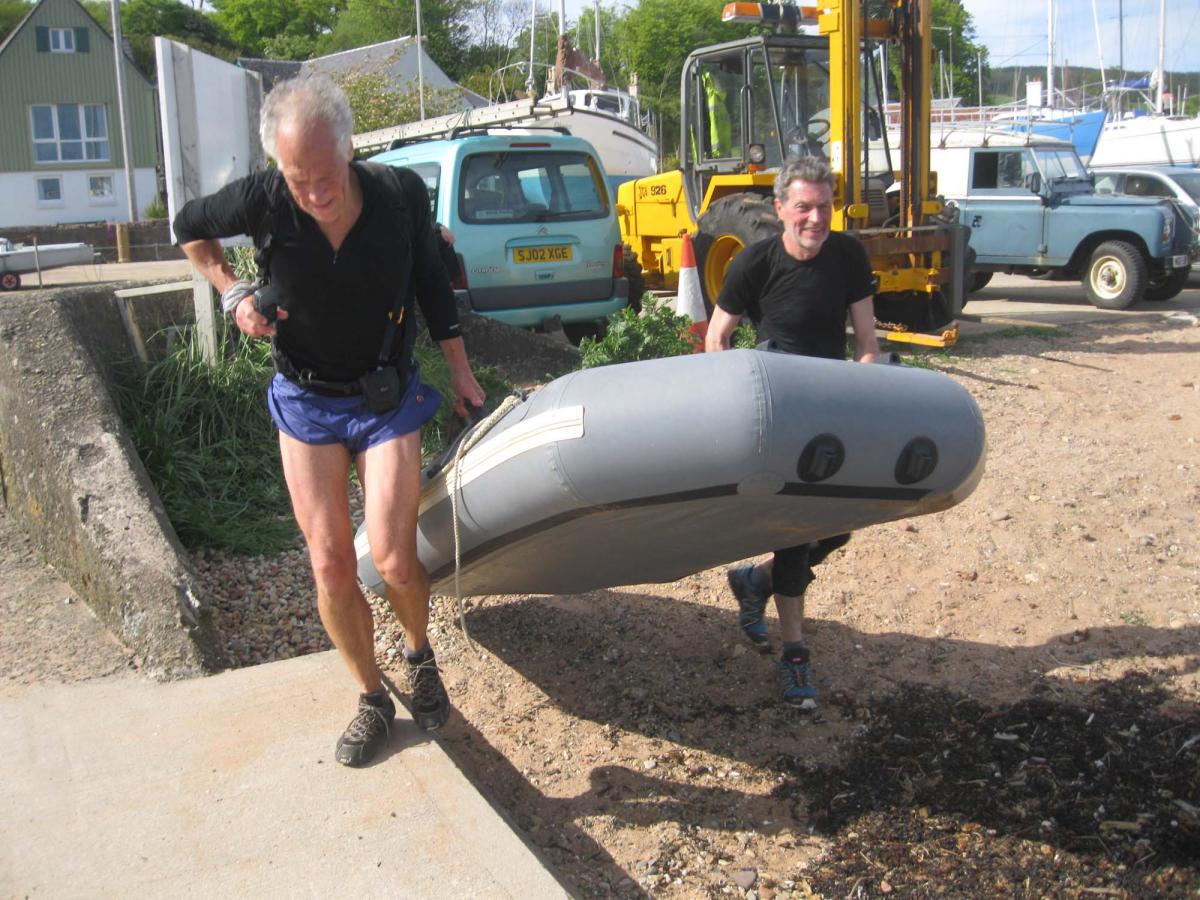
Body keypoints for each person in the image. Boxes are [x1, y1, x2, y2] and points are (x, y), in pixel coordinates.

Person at [173, 75, 486, 766]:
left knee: (398, 558)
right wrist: (232, 295)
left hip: (385, 395)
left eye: (325, 171)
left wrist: (459, 368)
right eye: (297, 176)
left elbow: (432, 281)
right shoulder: (261, 199)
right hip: (307, 396)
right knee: (331, 563)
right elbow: (189, 229)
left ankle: (419, 655)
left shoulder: (400, 194)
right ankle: (372, 697)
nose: (314, 190)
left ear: (349, 147)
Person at [704, 155, 879, 711]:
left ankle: (755, 582)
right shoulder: (755, 263)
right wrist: (739, 406)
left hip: (830, 402)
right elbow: (717, 338)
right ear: (780, 209)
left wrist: (864, 392)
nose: (815, 218)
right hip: (780, 406)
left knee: (838, 528)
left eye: (824, 207)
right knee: (798, 533)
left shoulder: (848, 256)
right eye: (803, 207)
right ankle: (796, 656)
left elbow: (868, 342)